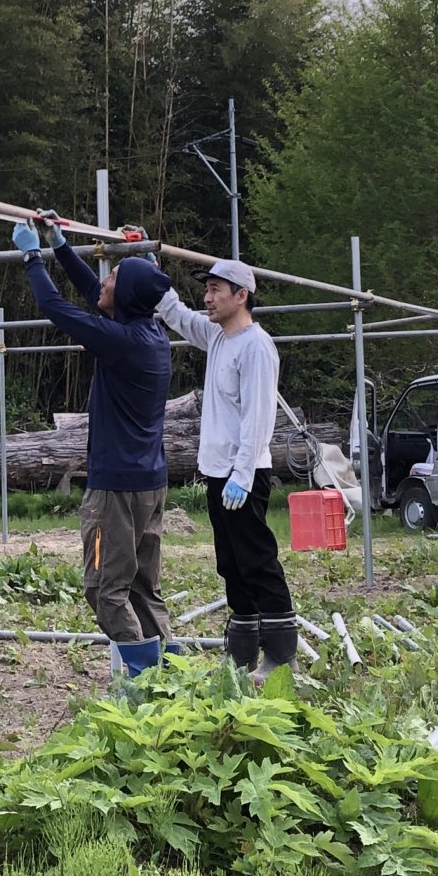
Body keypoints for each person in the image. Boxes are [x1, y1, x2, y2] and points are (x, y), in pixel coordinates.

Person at [9, 213, 173, 663]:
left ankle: (143, 683)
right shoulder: (148, 334)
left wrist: (31, 255)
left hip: (117, 489)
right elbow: (91, 296)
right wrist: (61, 246)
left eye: (113, 276)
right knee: (142, 587)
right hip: (148, 483)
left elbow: (56, 308)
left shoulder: (123, 342)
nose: (104, 279)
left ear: (123, 295)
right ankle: (172, 675)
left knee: (105, 589)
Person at [155, 259, 298, 669]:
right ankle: (242, 652)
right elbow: (180, 317)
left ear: (242, 296)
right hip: (220, 473)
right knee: (230, 563)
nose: (208, 297)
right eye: (207, 289)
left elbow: (258, 416)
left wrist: (242, 472)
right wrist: (155, 272)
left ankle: (281, 653)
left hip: (245, 474)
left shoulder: (256, 346)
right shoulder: (218, 337)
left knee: (256, 559)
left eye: (217, 290)